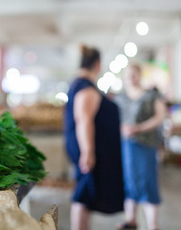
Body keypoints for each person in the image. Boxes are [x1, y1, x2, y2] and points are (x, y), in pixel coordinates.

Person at [64, 45, 124, 230]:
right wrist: (88, 152)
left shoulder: (80, 85)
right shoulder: (85, 87)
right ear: (97, 64)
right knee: (83, 195)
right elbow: (84, 120)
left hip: (87, 147)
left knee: (86, 195)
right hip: (88, 148)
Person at [115, 64, 166, 230]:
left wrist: (138, 128)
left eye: (134, 74)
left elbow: (160, 117)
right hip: (126, 145)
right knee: (129, 181)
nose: (131, 77)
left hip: (146, 144)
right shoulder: (120, 98)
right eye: (128, 75)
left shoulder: (151, 95)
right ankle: (131, 220)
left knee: (147, 181)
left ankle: (153, 224)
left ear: (139, 75)